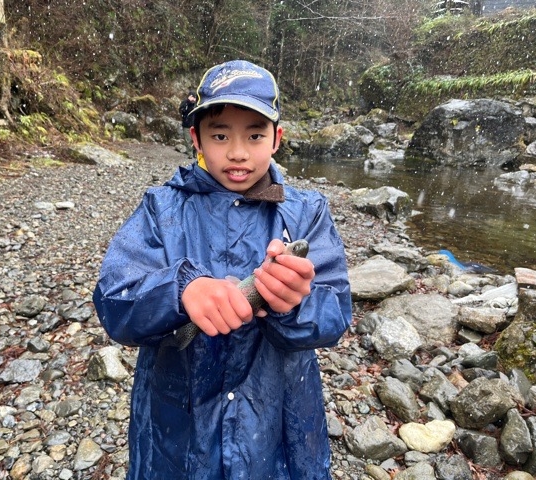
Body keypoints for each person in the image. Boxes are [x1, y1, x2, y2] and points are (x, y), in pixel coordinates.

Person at [92, 59, 352, 480]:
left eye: (254, 135)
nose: (237, 152)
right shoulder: (160, 209)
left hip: (276, 421)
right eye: (219, 135)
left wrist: (295, 304)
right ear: (195, 138)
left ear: (277, 139)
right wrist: (180, 291)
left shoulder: (307, 213)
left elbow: (335, 313)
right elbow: (114, 299)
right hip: (178, 421)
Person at [179, 90, 197, 158]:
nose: (193, 98)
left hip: (195, 125)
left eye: (194, 97)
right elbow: (181, 110)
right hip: (186, 125)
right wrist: (188, 101)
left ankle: (195, 153)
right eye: (191, 96)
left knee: (195, 140)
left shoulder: (196, 104)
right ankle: (190, 154)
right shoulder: (185, 102)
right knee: (188, 140)